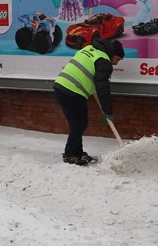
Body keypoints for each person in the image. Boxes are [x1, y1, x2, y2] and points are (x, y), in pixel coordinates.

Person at [52, 37, 124, 166]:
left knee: (78, 124)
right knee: (79, 124)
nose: (116, 63)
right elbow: (103, 88)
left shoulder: (90, 49)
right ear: (112, 54)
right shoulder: (104, 62)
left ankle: (77, 153)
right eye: (117, 59)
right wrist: (108, 112)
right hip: (72, 91)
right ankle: (70, 154)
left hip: (61, 87)